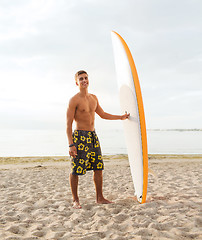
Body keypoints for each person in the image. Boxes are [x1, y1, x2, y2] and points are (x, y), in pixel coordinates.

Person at [66, 70, 130, 209]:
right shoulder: (74, 100)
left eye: (86, 78)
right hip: (80, 137)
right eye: (81, 79)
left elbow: (103, 114)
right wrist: (71, 144)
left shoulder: (94, 98)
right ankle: (75, 200)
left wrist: (121, 117)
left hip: (93, 137)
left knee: (98, 167)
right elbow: (68, 124)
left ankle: (100, 197)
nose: (84, 81)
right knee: (76, 169)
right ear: (77, 82)